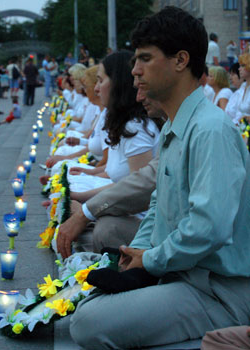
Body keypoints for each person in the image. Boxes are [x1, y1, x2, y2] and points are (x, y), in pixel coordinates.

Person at [68, 6, 250, 350]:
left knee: (88, 323)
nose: (134, 71)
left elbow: (208, 227)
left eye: (145, 59)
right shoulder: (174, 126)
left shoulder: (210, 129)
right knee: (90, 299)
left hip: (217, 292)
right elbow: (156, 207)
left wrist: (150, 261)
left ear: (181, 60)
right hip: (182, 275)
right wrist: (137, 255)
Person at [57, 89, 165, 255]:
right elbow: (119, 174)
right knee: (69, 204)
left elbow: (140, 188)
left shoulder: (135, 128)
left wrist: (85, 211)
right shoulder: (127, 124)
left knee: (104, 228)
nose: (95, 89)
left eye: (101, 81)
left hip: (144, 217)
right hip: (136, 208)